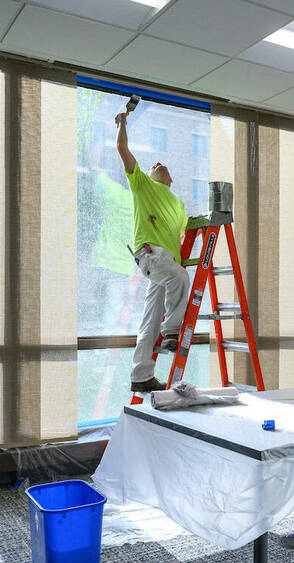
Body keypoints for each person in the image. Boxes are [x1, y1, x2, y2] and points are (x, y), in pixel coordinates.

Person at [115, 109, 190, 392]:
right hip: (151, 255)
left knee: (149, 318)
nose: (158, 163)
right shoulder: (143, 186)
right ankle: (172, 331)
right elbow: (122, 148)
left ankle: (141, 376)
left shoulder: (179, 205)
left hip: (163, 264)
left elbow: (183, 231)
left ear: (170, 180)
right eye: (153, 165)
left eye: (163, 165)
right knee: (181, 278)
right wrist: (123, 123)